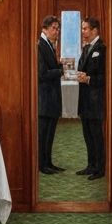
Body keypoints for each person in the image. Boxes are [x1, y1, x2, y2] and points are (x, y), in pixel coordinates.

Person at [76, 17, 107, 180]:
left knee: (96, 136)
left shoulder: (102, 49)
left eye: (85, 29)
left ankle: (100, 169)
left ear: (95, 30)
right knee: (87, 135)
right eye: (82, 29)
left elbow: (105, 78)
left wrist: (88, 79)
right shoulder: (86, 48)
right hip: (85, 101)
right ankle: (90, 165)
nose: (83, 32)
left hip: (96, 102)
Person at [37, 15, 65, 174]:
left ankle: (48, 162)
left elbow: (49, 68)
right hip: (45, 99)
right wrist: (61, 70)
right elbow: (42, 74)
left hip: (51, 99)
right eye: (54, 28)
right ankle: (42, 165)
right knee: (44, 135)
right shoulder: (40, 45)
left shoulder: (49, 44)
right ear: (44, 29)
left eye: (58, 28)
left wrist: (59, 65)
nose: (57, 31)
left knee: (50, 134)